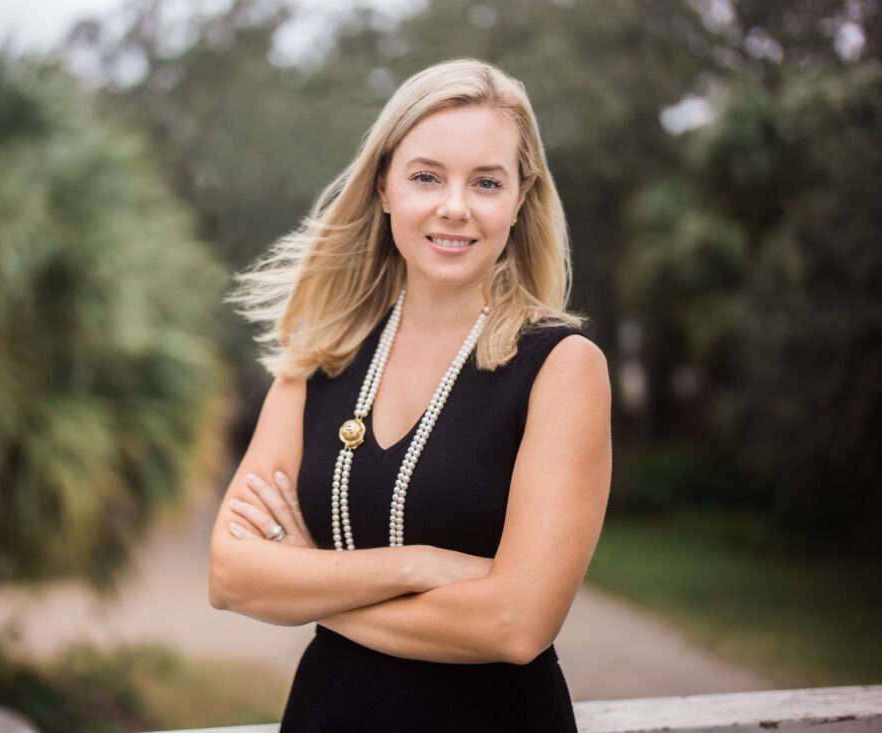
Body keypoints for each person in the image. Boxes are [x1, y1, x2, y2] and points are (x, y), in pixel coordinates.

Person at [208, 58, 611, 731]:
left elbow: (516, 623)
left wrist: (308, 582)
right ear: (385, 186)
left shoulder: (563, 368)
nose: (454, 206)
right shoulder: (318, 363)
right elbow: (231, 575)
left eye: (486, 181)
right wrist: (420, 565)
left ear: (519, 198)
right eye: (427, 176)